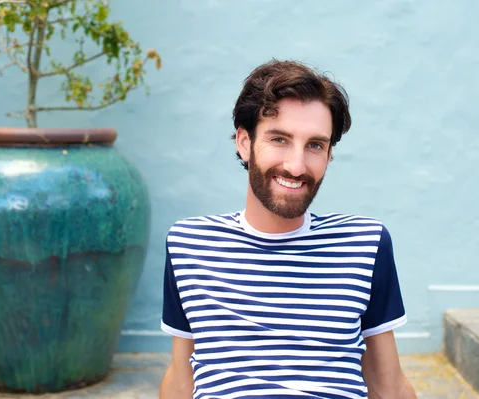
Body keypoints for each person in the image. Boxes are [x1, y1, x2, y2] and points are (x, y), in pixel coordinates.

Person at [159, 59, 417, 399]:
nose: (296, 166)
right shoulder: (189, 245)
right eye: (279, 139)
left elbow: (388, 385)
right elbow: (181, 379)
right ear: (244, 142)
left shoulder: (365, 244)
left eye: (315, 145)